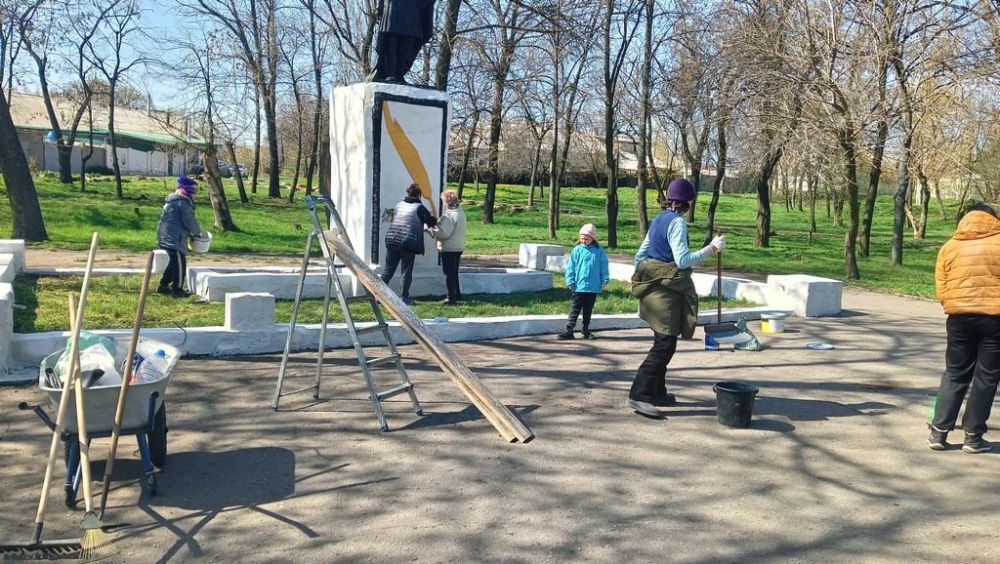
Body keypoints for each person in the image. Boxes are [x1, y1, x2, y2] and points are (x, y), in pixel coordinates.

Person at [627, 178, 725, 418]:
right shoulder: (678, 224)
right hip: (666, 296)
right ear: (688, 201)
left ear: (670, 199)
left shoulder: (659, 220)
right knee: (664, 346)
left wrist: (651, 274)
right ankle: (639, 395)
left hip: (652, 293)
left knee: (665, 343)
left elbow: (640, 256)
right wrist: (712, 248)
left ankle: (657, 392)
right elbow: (682, 261)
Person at [927, 202, 1000, 453]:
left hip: (959, 318)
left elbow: (942, 286)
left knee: (955, 373)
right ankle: (973, 437)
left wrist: (952, 304)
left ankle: (938, 432)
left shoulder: (950, 246)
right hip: (995, 319)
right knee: (986, 377)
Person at [381, 182, 437, 305]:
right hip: (407, 242)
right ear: (419, 195)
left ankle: (378, 296)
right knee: (406, 271)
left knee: (388, 270)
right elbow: (431, 222)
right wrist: (434, 216)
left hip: (392, 240)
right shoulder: (419, 208)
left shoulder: (398, 205)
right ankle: (404, 297)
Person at [558, 223, 610, 340]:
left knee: (588, 309)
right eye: (581, 238)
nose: (583, 241)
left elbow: (603, 266)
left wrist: (605, 279)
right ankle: (569, 330)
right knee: (575, 309)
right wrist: (570, 280)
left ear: (593, 238)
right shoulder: (576, 250)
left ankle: (585, 330)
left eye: (586, 238)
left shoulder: (599, 251)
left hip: (593, 286)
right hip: (578, 286)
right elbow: (571, 267)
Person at [156, 176, 203, 298]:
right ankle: (177, 290)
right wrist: (198, 233)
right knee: (180, 264)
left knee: (173, 263)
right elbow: (189, 222)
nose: (195, 194)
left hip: (166, 236)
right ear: (186, 190)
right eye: (193, 191)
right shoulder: (182, 203)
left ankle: (163, 286)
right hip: (173, 238)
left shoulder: (174, 201)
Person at [369, 0, 435, 83]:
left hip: (412, 12)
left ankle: (399, 74)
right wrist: (379, 6)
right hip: (392, 10)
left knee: (406, 45)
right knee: (391, 44)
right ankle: (390, 73)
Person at [430, 189, 466, 305]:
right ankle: (457, 293)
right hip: (458, 247)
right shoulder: (460, 213)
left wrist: (431, 231)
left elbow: (444, 233)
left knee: (448, 274)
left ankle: (451, 297)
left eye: (443, 201)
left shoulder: (449, 216)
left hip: (448, 248)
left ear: (447, 201)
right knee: (454, 273)